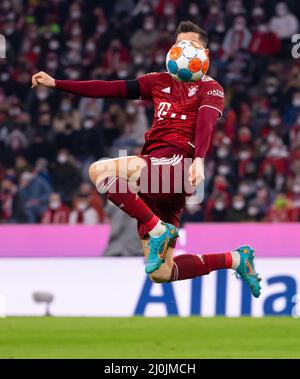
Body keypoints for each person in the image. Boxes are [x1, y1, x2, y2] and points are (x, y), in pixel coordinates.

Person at [31, 21, 261, 297]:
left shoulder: (211, 89)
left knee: (99, 170)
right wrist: (57, 83)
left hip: (178, 168)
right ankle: (236, 259)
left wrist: (199, 159)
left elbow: (206, 123)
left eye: (192, 46)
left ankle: (156, 228)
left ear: (206, 54)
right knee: (161, 273)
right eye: (179, 46)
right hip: (154, 178)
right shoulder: (158, 81)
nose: (185, 50)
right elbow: (109, 88)